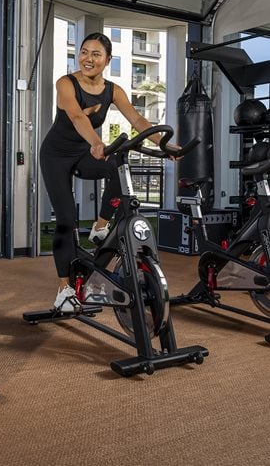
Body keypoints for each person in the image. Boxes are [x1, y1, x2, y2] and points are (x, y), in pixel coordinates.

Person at [40, 32, 175, 313]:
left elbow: (136, 118)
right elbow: (77, 116)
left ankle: (101, 227)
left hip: (85, 152)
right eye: (84, 52)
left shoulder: (113, 90)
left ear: (108, 60)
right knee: (66, 219)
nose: (88, 59)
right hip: (56, 155)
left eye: (96, 54)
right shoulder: (66, 84)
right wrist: (96, 142)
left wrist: (165, 143)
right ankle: (64, 289)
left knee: (117, 166)